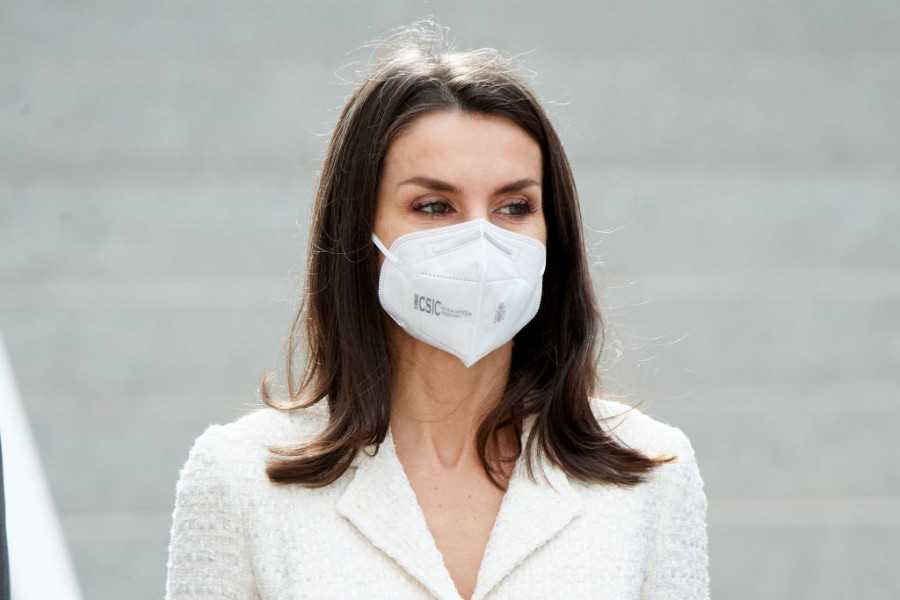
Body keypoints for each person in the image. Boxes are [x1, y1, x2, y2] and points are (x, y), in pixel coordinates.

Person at [165, 24, 708, 600]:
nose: (480, 242)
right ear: (359, 232)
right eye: (432, 206)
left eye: (514, 206)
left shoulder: (652, 474)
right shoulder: (242, 478)